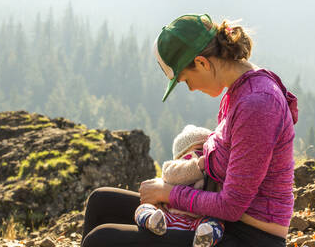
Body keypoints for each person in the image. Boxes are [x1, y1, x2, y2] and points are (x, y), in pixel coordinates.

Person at [81, 13, 298, 247]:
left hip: (250, 237)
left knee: (101, 240)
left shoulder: (258, 104)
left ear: (202, 62)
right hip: (220, 223)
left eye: (185, 80)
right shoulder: (238, 92)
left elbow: (232, 206)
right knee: (101, 202)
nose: (191, 88)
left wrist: (168, 193)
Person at [134, 124, 224, 247]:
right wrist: (197, 165)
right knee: (143, 208)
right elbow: (170, 175)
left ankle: (204, 238)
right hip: (167, 215)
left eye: (207, 149)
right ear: (183, 153)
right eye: (199, 148)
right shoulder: (177, 166)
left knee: (215, 224)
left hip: (196, 222)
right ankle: (151, 220)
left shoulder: (212, 170)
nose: (203, 153)